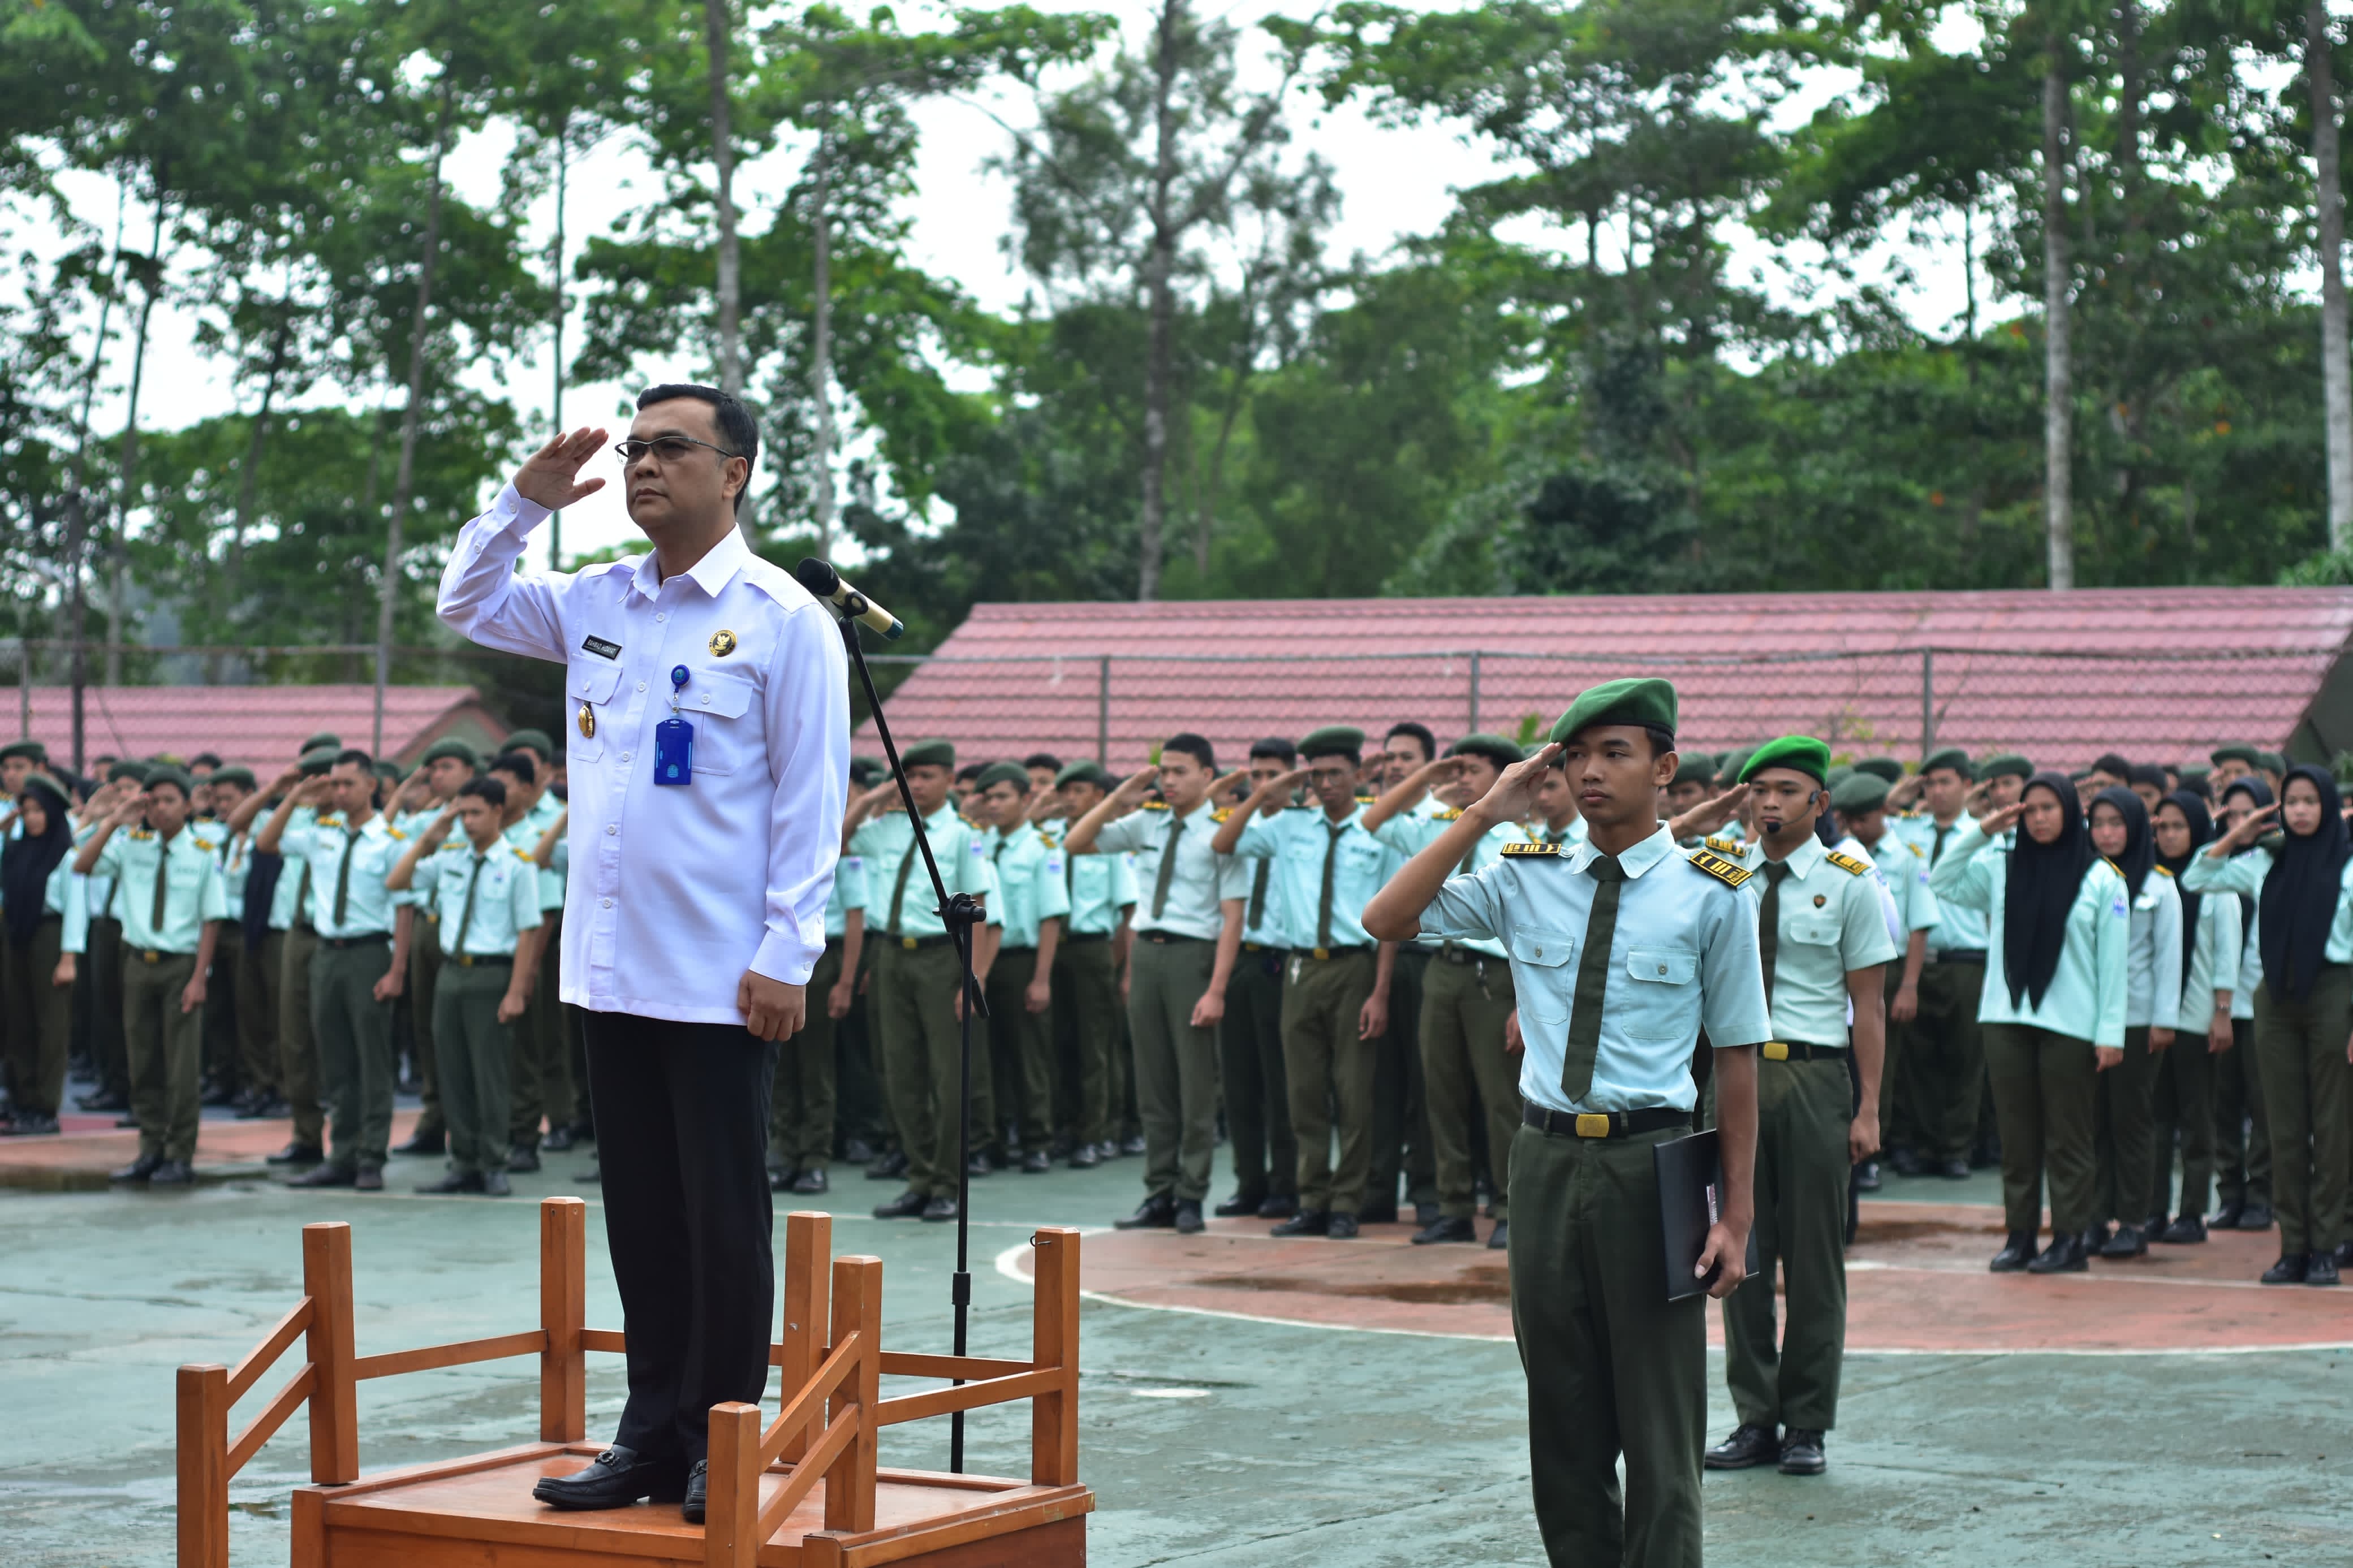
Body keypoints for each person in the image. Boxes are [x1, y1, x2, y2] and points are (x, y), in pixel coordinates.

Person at [440, 388, 851, 1522]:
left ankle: (720, 1440)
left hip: (723, 975)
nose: (642, 465)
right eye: (633, 449)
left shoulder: (783, 619)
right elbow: (466, 599)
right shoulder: (593, 600)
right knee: (642, 1217)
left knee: (722, 1217)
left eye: (672, 447)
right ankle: (649, 1436)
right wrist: (522, 502)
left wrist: (789, 951)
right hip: (610, 966)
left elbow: (813, 804)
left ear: (738, 472)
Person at [1362, 677, 1766, 1568]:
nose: (1590, 772)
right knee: (1563, 1411)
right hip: (1543, 1160)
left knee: (1661, 1420)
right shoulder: (1523, 876)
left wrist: (1735, 1216)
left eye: (1614, 753)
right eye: (1575, 755)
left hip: (1654, 1161)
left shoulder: (1715, 891)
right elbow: (1385, 916)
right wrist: (1481, 814)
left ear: (1664, 768)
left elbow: (1737, 1058)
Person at [1697, 738, 1894, 1479]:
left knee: (1814, 1259)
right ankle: (1755, 1416)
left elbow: (1868, 1007)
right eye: (1759, 791)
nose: (1769, 802)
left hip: (1813, 1078)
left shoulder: (1851, 881)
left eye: (1786, 790)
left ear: (1820, 803)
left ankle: (1807, 1420)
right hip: (1734, 1074)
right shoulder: (1721, 874)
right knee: (1735, 1248)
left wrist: (1868, 1105)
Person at [1928, 771, 2128, 1274]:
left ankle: (2070, 1237)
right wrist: (1983, 830)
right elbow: (1943, 880)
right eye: (2030, 810)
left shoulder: (2101, 878)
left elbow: (2113, 964)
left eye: (2048, 808)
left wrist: (2110, 1032)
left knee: (2069, 1135)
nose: (2038, 819)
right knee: (2017, 1136)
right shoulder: (2002, 863)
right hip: (2005, 1014)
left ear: (2070, 812)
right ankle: (2020, 1235)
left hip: (2071, 1023)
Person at [1214, 727, 1400, 1239]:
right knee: (1304, 1091)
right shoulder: (1290, 825)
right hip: (1301, 968)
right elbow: (1223, 841)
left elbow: (1390, 921)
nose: (1326, 783)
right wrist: (1269, 791)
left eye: (1335, 773)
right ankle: (1312, 1198)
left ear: (1358, 775)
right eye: (1316, 774)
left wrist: (1380, 990)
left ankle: (1347, 1201)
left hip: (1354, 966)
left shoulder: (1376, 830)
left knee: (1353, 1091)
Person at [1064, 734, 1246, 1236]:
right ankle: (1158, 1191)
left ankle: (1191, 1193)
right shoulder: (1146, 821)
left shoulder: (1223, 830)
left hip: (1194, 956)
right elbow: (1076, 842)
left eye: (1180, 771)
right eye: (1163, 771)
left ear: (1208, 775)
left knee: (1194, 1084)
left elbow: (1233, 917)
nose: (1168, 780)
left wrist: (1217, 989)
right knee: (1153, 1081)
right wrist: (1117, 797)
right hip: (1147, 952)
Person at [2182, 764, 2353, 1285]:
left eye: (2309, 801)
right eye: (2290, 801)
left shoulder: (2348, 864)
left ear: (2327, 805)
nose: (2299, 811)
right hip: (2275, 998)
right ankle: (2293, 1247)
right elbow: (2197, 878)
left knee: (2331, 1127)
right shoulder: (2264, 861)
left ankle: (2326, 1246)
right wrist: (2238, 833)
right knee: (2282, 1127)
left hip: (2335, 992)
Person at [1363, 733, 1528, 1247]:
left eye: (1473, 771)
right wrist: (1429, 775)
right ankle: (1454, 1206)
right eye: (1458, 771)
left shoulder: (1518, 840)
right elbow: (1373, 821)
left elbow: (1532, 928)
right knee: (1443, 1091)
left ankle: (1508, 1206)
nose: (1461, 780)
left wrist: (1525, 1001)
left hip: (1492, 976)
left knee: (1500, 1097)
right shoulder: (1440, 828)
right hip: (1443, 968)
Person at [843, 740, 1002, 1223]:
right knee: (901, 1074)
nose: (917, 785)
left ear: (951, 780)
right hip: (891, 953)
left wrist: (971, 979)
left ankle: (946, 1184)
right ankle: (918, 1178)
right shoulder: (888, 827)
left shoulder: (961, 836)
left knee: (947, 1077)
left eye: (928, 776)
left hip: (941, 959)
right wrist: (873, 798)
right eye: (909, 776)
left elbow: (983, 914)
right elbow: (838, 837)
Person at [257, 751, 414, 1192]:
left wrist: (397, 968)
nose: (340, 792)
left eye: (348, 783)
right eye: (335, 784)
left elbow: (404, 908)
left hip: (368, 954)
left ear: (371, 786)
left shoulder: (390, 840)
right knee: (336, 1059)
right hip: (327, 954)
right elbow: (267, 843)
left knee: (372, 1060)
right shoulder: (320, 834)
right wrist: (293, 799)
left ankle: (372, 1157)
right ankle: (341, 1153)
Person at [386, 775, 545, 1196]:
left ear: (498, 811)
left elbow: (528, 931)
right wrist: (428, 839)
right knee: (452, 1072)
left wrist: (516, 990)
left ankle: (494, 1161)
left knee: (489, 1074)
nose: (468, 822)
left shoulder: (517, 864)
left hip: (492, 974)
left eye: (475, 813)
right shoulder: (450, 857)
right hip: (451, 974)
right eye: (462, 813)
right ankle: (464, 1162)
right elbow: (397, 882)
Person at [74, 766, 227, 1186]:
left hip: (180, 964)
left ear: (187, 805)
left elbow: (212, 919)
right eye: (153, 801)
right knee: (142, 1062)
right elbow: (83, 865)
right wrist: (112, 821)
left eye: (169, 800)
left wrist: (200, 977)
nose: (160, 809)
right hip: (138, 963)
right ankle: (150, 1148)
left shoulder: (201, 853)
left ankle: (180, 1154)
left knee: (180, 1067)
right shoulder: (131, 845)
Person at [2083, 788, 2180, 1258]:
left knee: (2131, 1120)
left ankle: (2134, 1220)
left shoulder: (2159, 885)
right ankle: (2095, 1216)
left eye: (2116, 823)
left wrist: (2165, 1021)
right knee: (2090, 1120)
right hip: (2085, 1016)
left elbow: (2168, 959)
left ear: (2137, 827)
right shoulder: (2082, 878)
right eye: (2098, 822)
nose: (2106, 832)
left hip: (2137, 1019)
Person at [1831, 770, 1937, 1187]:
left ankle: (1877, 1144)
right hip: (1848, 970)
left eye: (1864, 817)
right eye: (1849, 818)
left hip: (1888, 970)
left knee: (1884, 1064)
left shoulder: (1907, 855)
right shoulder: (1835, 852)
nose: (1856, 827)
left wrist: (1909, 984)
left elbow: (1917, 925)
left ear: (1883, 812)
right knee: (1855, 1060)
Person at [2147, 791, 2239, 1243]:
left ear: (2198, 829)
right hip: (2155, 1016)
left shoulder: (2215, 881)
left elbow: (2228, 952)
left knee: (2196, 1117)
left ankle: (2193, 1212)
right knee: (2156, 1118)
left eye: (2178, 826)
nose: (2168, 835)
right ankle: (2153, 1209)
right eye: (2162, 827)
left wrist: (2222, 1013)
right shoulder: (2150, 878)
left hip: (2198, 1014)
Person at [1216, 740, 1300, 1217]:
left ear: (1293, 776)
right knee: (1240, 1079)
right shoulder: (1248, 825)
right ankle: (1250, 1181)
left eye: (1273, 773)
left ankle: (1286, 1183)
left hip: (1282, 959)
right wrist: (1252, 797)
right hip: (1243, 959)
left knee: (1280, 1080)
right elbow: (1220, 841)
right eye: (1256, 773)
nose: (1263, 782)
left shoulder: (1301, 826)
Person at [388, 738, 481, 1159]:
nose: (436, 776)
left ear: (469, 770)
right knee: (428, 1031)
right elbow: (396, 869)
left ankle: (481, 1127)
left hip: (466, 932)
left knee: (469, 1036)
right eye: (431, 770)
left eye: (445, 767)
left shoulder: (482, 813)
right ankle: (434, 1119)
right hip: (426, 926)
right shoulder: (427, 820)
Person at [973, 761, 1068, 1173]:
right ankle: (991, 1138)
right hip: (980, 962)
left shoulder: (1040, 847)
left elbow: (1051, 916)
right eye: (989, 797)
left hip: (1020, 961)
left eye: (1003, 797)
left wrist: (1042, 978)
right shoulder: (980, 844)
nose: (994, 805)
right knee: (984, 1055)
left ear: (1026, 799)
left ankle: (1036, 1140)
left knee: (1028, 1054)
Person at [1049, 762, 1137, 1170]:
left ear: (1098, 797)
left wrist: (1118, 965)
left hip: (1093, 949)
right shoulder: (1050, 839)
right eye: (1065, 791)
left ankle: (1097, 1131)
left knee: (1095, 1046)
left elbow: (1128, 912)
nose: (1069, 798)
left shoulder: (1107, 843)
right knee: (1060, 1043)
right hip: (1054, 949)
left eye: (1079, 790)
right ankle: (1067, 1125)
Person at [0, 772, 87, 1137]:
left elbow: (76, 908)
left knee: (50, 1025)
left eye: (40, 811)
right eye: (28, 811)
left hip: (51, 937)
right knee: (17, 1020)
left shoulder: (66, 855)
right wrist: (5, 827)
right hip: (17, 936)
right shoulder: (16, 850)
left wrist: (69, 957)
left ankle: (45, 1107)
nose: (33, 818)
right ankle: (21, 1097)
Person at [2209, 776, 2274, 1230]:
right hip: (2215, 1005)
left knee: (2265, 1104)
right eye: (2231, 813)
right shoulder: (2216, 864)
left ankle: (2262, 1193)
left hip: (2263, 1000)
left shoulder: (2277, 859)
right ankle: (2229, 1192)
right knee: (2222, 1102)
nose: (2240, 821)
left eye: (2249, 812)